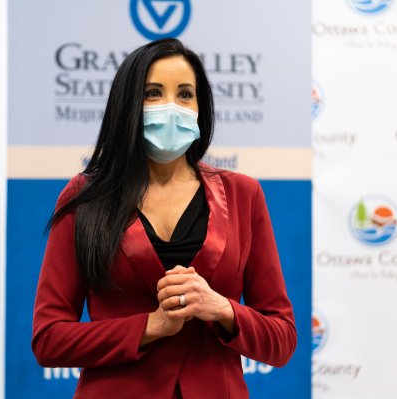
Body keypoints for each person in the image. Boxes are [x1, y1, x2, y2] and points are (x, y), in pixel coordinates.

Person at [32, 38, 296, 399]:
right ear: (128, 105)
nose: (171, 107)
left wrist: (222, 308)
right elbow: (48, 339)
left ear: (201, 107)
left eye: (185, 94)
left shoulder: (243, 194)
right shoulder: (84, 197)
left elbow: (281, 340)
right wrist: (150, 327)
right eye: (153, 93)